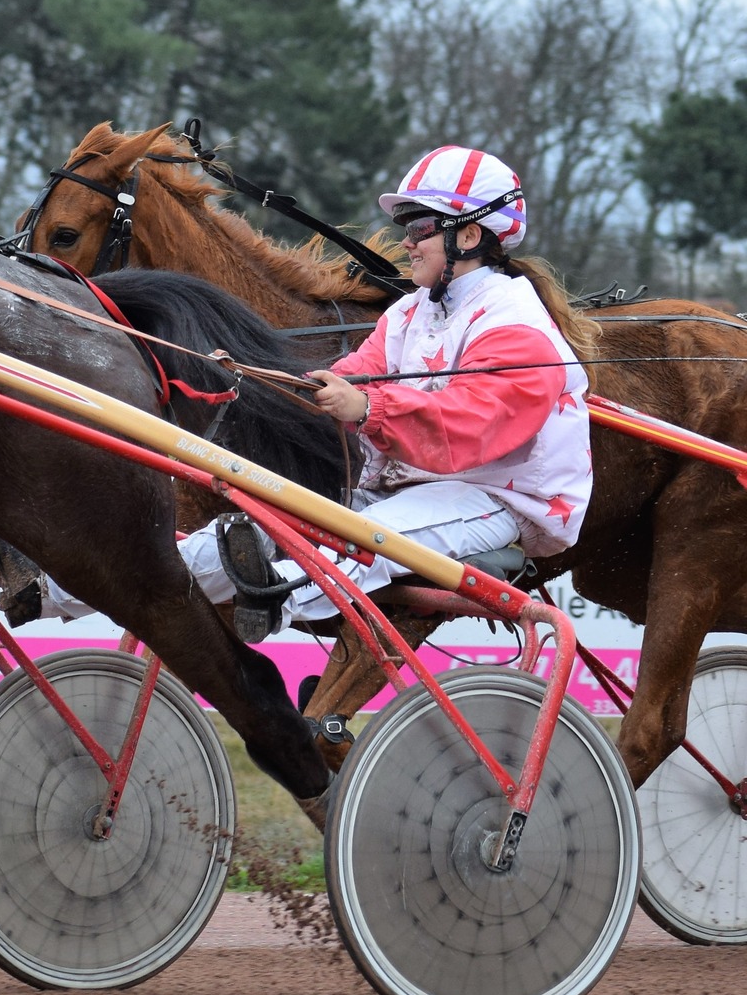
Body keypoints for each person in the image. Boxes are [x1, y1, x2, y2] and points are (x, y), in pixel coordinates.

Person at [174, 145, 599, 641]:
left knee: (364, 540)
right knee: (271, 514)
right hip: (405, 486)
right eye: (408, 229)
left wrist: (369, 407)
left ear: (469, 235)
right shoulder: (412, 309)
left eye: (420, 229)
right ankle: (87, 588)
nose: (408, 244)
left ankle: (274, 595)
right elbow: (363, 369)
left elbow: (474, 423)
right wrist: (297, 383)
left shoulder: (516, 322)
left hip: (499, 497)